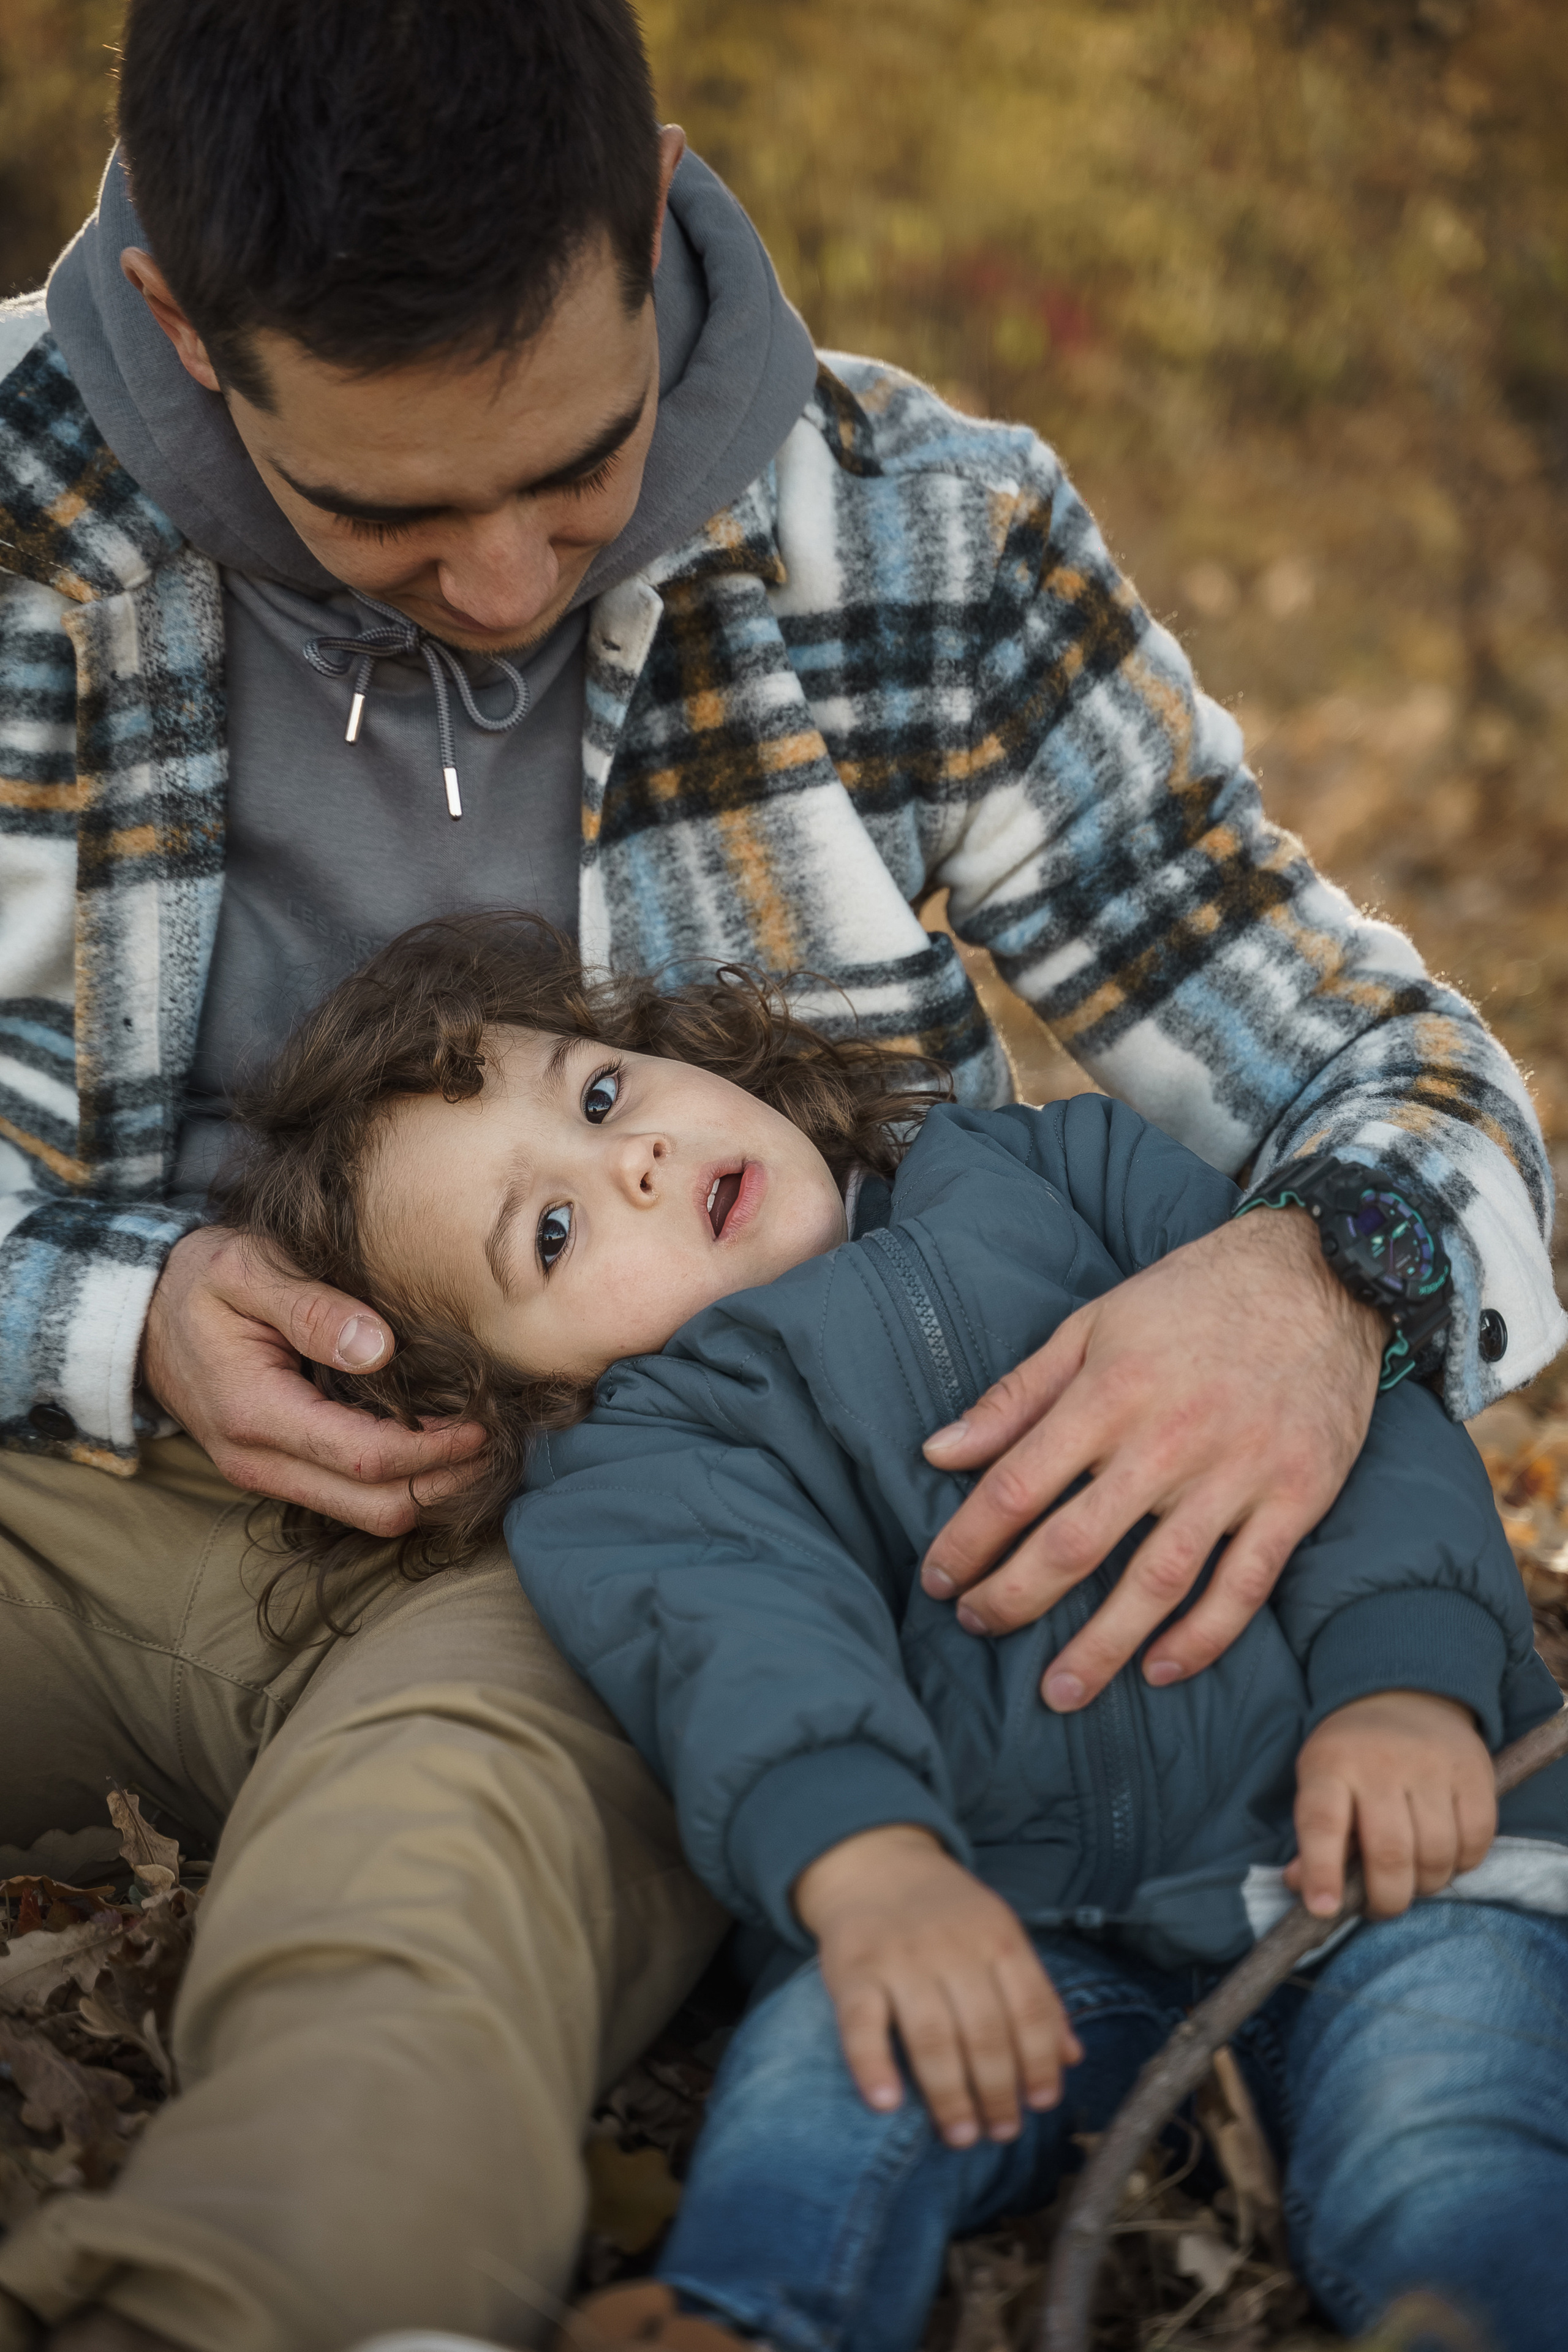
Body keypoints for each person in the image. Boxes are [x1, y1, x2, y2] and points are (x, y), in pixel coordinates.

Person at [0, 0, 1562, 2343]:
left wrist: (1323, 1280)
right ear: (173, 327)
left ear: (648, 212)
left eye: (579, 466)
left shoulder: (922, 534)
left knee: (444, 1872)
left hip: (584, 1554)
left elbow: (1396, 1075)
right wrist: (110, 1316)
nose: (511, 583)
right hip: (64, 1489)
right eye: (389, 515)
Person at [213, 909, 1568, 2352]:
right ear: (502, 1390)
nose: (635, 1162)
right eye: (551, 1232)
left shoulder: (1072, 1171)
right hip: (1006, 1929)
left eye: (600, 1093)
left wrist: (1405, 1687)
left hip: (1376, 1858)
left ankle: (1478, 2317)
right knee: (823, 2083)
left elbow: (1354, 1432)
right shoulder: (636, 1468)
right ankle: (748, 2315)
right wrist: (873, 1881)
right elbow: (742, 1660)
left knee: (1449, 2127)